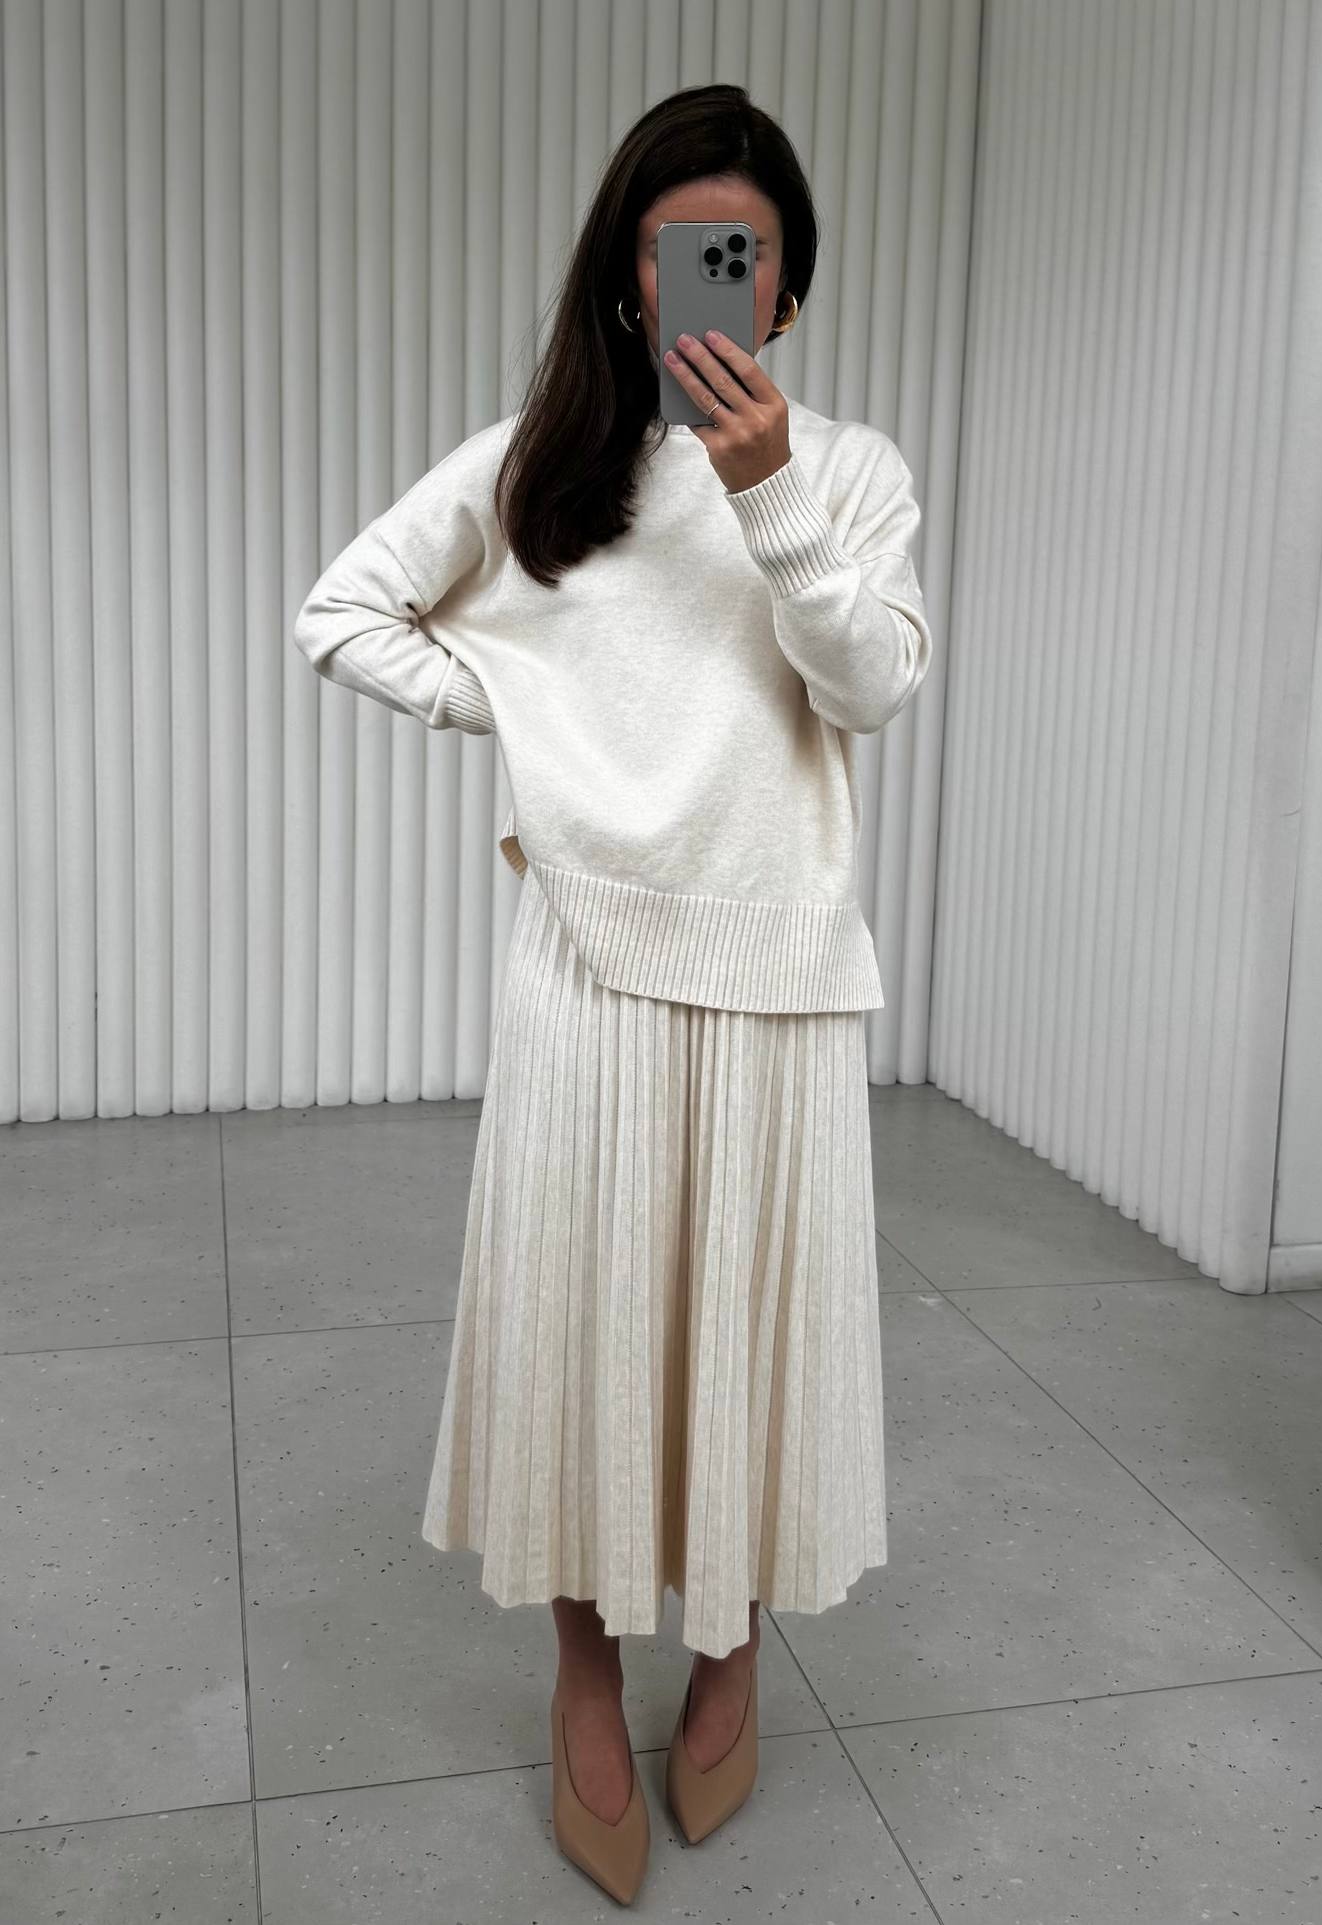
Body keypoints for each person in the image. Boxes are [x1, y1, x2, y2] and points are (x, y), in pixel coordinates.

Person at [293, 80, 933, 1908]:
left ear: (785, 290)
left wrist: (769, 491)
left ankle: (730, 1651)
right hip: (586, 971)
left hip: (781, 982)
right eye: (675, 253)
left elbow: (871, 687)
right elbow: (341, 612)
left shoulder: (853, 474)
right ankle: (585, 1666)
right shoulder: (538, 468)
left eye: (743, 254)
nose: (709, 282)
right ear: (631, 279)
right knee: (582, 1336)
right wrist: (526, 719)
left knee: (749, 1341)